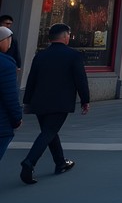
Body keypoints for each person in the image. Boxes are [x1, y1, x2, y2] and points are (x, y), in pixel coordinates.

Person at [20, 23, 89, 185]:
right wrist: (85, 100)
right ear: (65, 37)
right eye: (68, 35)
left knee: (49, 131)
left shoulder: (40, 56)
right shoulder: (73, 55)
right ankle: (29, 162)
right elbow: (80, 79)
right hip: (60, 101)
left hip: (39, 101)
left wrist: (27, 101)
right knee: (49, 131)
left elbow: (31, 79)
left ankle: (60, 163)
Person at [0, 26, 23, 163]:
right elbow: (10, 96)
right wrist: (17, 118)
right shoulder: (6, 64)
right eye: (9, 39)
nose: (10, 43)